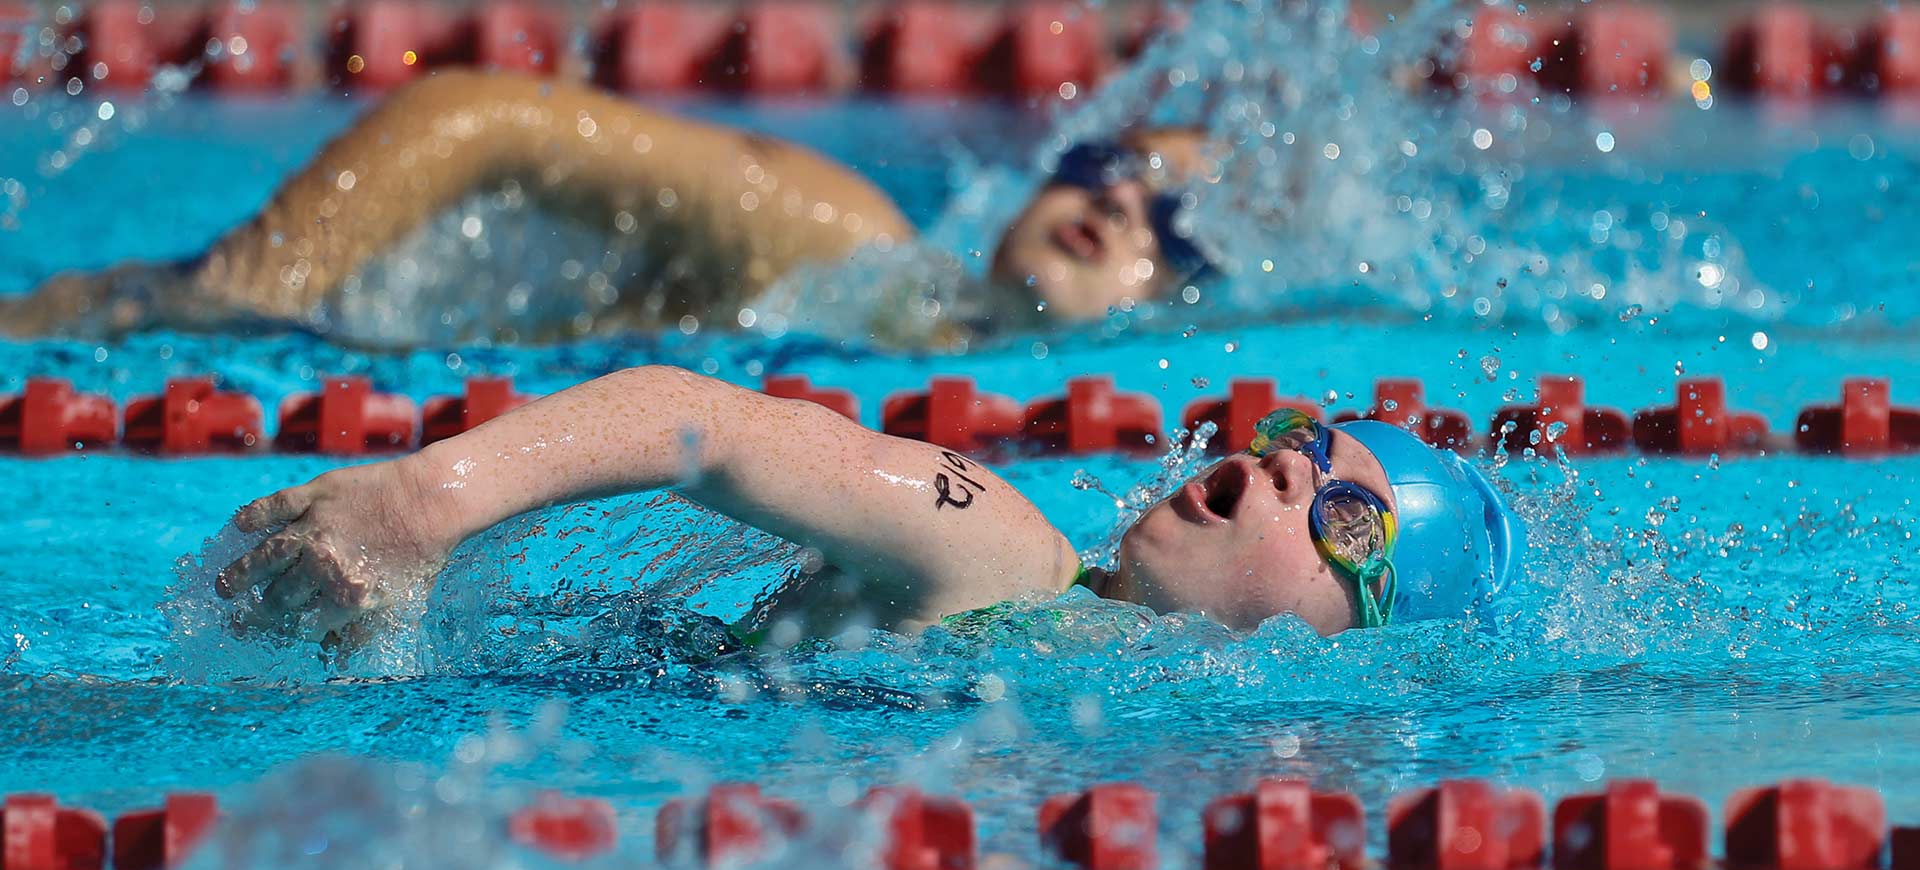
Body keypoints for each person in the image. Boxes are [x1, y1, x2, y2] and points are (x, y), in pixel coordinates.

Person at [213, 364, 1525, 651]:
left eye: (1346, 516)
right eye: (1300, 444)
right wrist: (429, 499)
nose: (1288, 469)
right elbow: (713, 424)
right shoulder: (1008, 554)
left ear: (1361, 625)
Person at [0, 69, 1219, 344]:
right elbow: (472, 113)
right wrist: (246, 294)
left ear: (1179, 299)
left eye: (1163, 229)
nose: (1118, 212)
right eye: (1107, 170)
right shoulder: (843, 237)